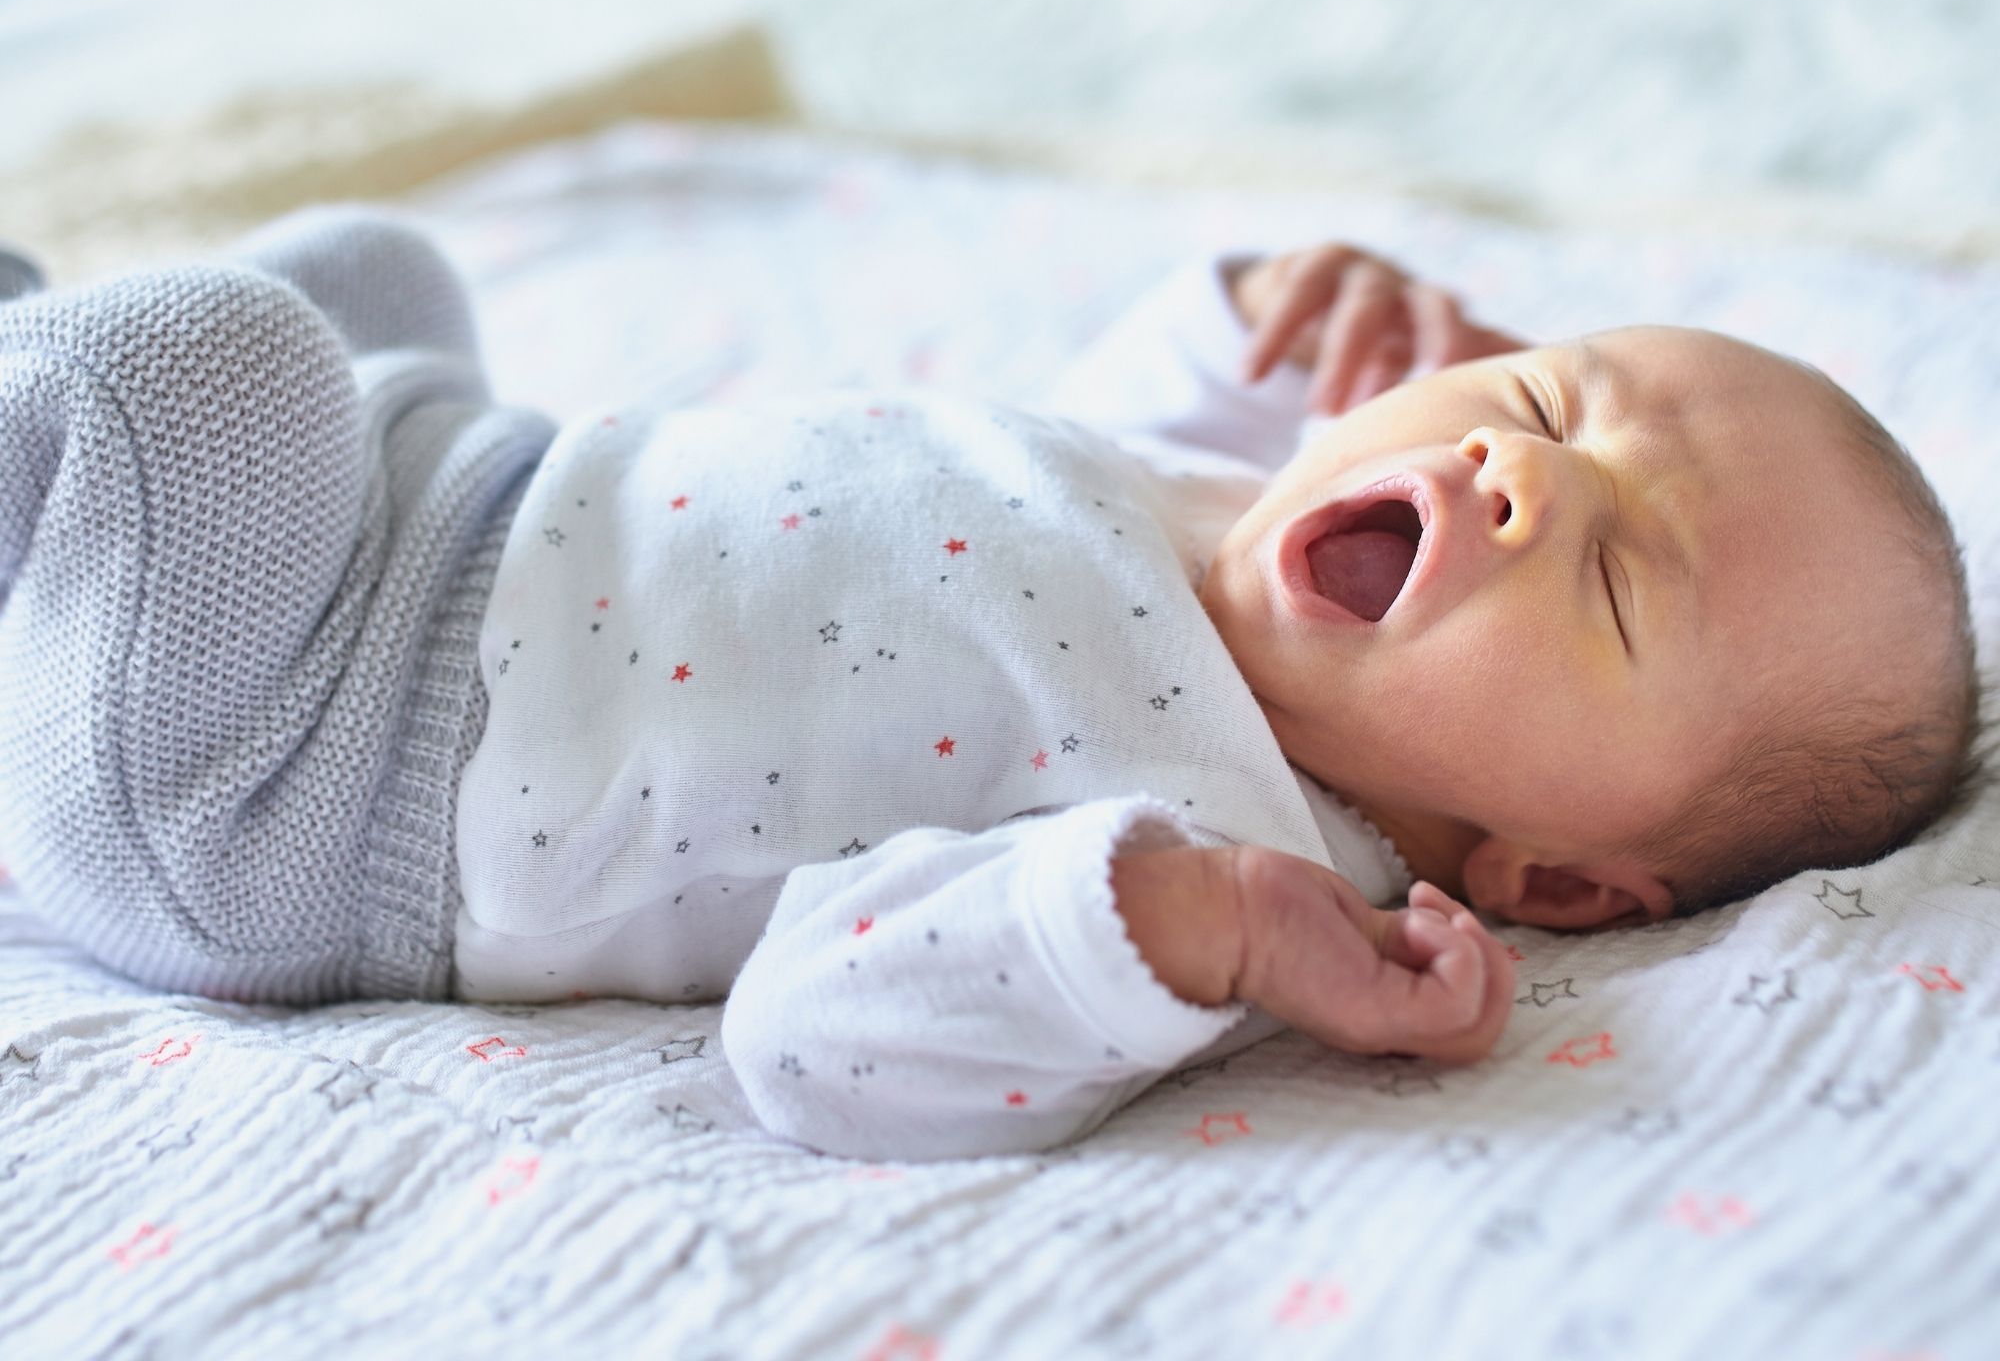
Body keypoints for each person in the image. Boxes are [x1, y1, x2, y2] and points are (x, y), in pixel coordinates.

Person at [0, 210, 1978, 1163]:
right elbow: (1034, 464)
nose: (1518, 469)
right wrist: (1259, 316)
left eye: (1619, 570)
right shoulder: (1220, 518)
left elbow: (820, 1032)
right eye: (1549, 400)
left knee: (194, 371)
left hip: (279, 785)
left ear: (1552, 879)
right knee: (375, 281)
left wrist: (1179, 927)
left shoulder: (1212, 830)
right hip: (453, 493)